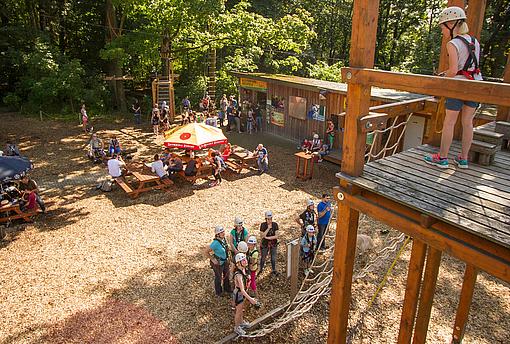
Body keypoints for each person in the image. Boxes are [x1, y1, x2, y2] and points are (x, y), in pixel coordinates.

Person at [424, 6, 482, 169]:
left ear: (451, 24)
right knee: (468, 123)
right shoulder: (474, 41)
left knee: (449, 122)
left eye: (443, 27)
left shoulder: (453, 43)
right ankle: (463, 159)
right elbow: (469, 66)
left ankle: (442, 158)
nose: (442, 31)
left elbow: (454, 70)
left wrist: (441, 77)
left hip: (458, 85)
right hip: (476, 83)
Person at [232, 253, 260, 336]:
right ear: (238, 263)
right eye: (243, 260)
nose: (245, 261)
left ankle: (241, 322)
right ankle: (237, 327)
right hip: (239, 294)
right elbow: (242, 289)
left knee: (241, 309)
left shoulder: (244, 270)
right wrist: (251, 299)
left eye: (245, 259)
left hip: (243, 293)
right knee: (238, 311)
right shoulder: (239, 275)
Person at [208, 226, 232, 296]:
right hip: (218, 263)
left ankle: (227, 288)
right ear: (217, 234)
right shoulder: (215, 243)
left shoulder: (223, 239)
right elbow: (205, 252)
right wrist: (212, 259)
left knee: (226, 275)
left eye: (223, 231)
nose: (223, 233)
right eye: (221, 232)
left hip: (225, 261)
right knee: (218, 277)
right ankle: (218, 292)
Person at [258, 210, 279, 277]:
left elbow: (276, 236)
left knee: (273, 257)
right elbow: (262, 235)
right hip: (265, 244)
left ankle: (273, 269)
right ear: (266, 219)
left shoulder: (275, 225)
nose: (269, 221)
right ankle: (261, 269)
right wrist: (268, 228)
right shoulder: (263, 225)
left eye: (270, 219)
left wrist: (268, 238)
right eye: (268, 219)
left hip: (273, 244)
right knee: (263, 257)